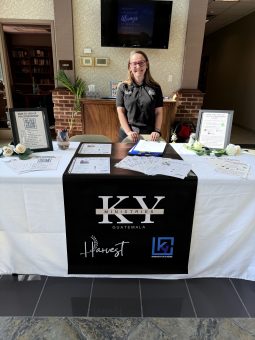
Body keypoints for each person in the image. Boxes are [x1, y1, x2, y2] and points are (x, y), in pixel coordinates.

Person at [116, 50, 163, 142]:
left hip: (150, 135)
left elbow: (159, 112)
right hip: (128, 134)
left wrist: (157, 131)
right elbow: (120, 112)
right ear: (129, 66)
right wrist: (129, 132)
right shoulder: (123, 87)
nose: (138, 66)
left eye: (141, 63)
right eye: (134, 63)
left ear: (147, 65)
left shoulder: (156, 87)